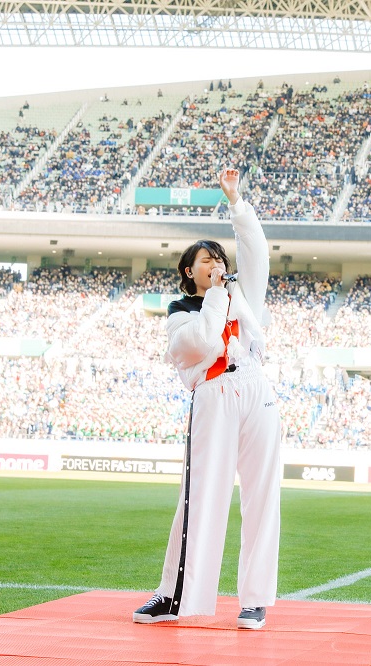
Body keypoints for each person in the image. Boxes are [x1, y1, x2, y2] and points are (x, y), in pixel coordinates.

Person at [133, 168, 281, 631]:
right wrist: (218, 296)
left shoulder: (243, 297)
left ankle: (255, 599)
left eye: (219, 255)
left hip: (255, 389)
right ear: (188, 272)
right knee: (200, 498)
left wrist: (236, 202)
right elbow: (202, 346)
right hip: (213, 395)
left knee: (262, 496)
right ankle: (175, 595)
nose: (216, 261)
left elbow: (256, 252)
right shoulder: (182, 314)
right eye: (206, 259)